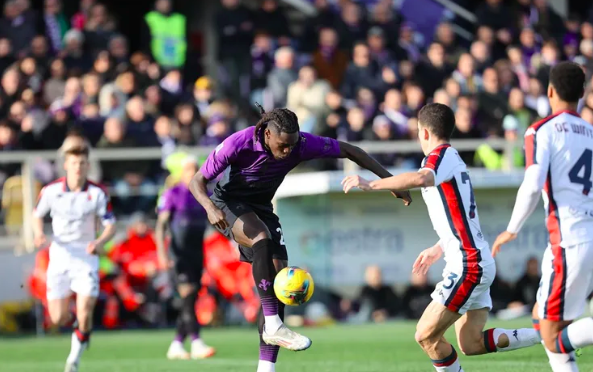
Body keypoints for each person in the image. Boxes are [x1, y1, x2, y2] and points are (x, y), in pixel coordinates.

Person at [189, 106, 411, 372]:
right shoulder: (239, 142)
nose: (288, 152)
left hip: (261, 207)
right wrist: (210, 208)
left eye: (292, 146)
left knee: (281, 280)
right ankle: (273, 324)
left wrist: (392, 183)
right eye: (283, 146)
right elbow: (197, 181)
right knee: (261, 237)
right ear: (267, 134)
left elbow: (352, 150)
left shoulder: (302, 144)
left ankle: (266, 367)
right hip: (228, 204)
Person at [341, 103, 541, 372]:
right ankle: (551, 335)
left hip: (468, 266)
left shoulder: (440, 156)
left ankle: (553, 335)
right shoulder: (452, 159)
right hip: (473, 261)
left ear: (423, 132)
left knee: (425, 335)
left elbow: (422, 177)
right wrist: (440, 247)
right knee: (470, 344)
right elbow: (461, 217)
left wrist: (371, 183)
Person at [492, 61, 593, 371]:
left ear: (549, 91)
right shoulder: (590, 131)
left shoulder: (541, 130)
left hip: (570, 242)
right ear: (581, 94)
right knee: (540, 317)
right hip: (583, 237)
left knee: (551, 338)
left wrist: (511, 229)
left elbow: (533, 183)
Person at [32, 146, 116, 372]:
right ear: (66, 165)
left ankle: (73, 360)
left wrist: (99, 243)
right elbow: (36, 214)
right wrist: (39, 233)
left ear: (87, 166)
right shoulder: (51, 191)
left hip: (86, 256)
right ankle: (81, 331)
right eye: (74, 163)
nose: (78, 167)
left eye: (82, 163)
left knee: (85, 309)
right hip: (59, 256)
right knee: (58, 318)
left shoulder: (97, 192)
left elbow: (110, 224)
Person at [156, 157, 215, 360]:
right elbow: (161, 225)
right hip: (178, 253)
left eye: (195, 169)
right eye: (188, 169)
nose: (192, 172)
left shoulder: (204, 194)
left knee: (191, 297)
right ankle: (197, 342)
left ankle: (177, 344)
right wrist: (162, 254)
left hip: (196, 252)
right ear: (181, 173)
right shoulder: (173, 193)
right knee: (187, 294)